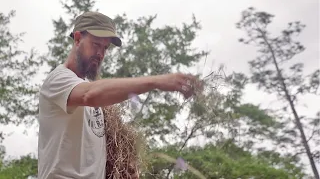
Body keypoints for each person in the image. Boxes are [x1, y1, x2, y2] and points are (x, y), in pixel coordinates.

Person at [37, 11, 200, 179]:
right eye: (95, 44)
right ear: (77, 39)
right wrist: (156, 82)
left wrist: (122, 166)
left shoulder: (93, 96)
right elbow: (89, 95)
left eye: (105, 48)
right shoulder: (58, 79)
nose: (100, 53)